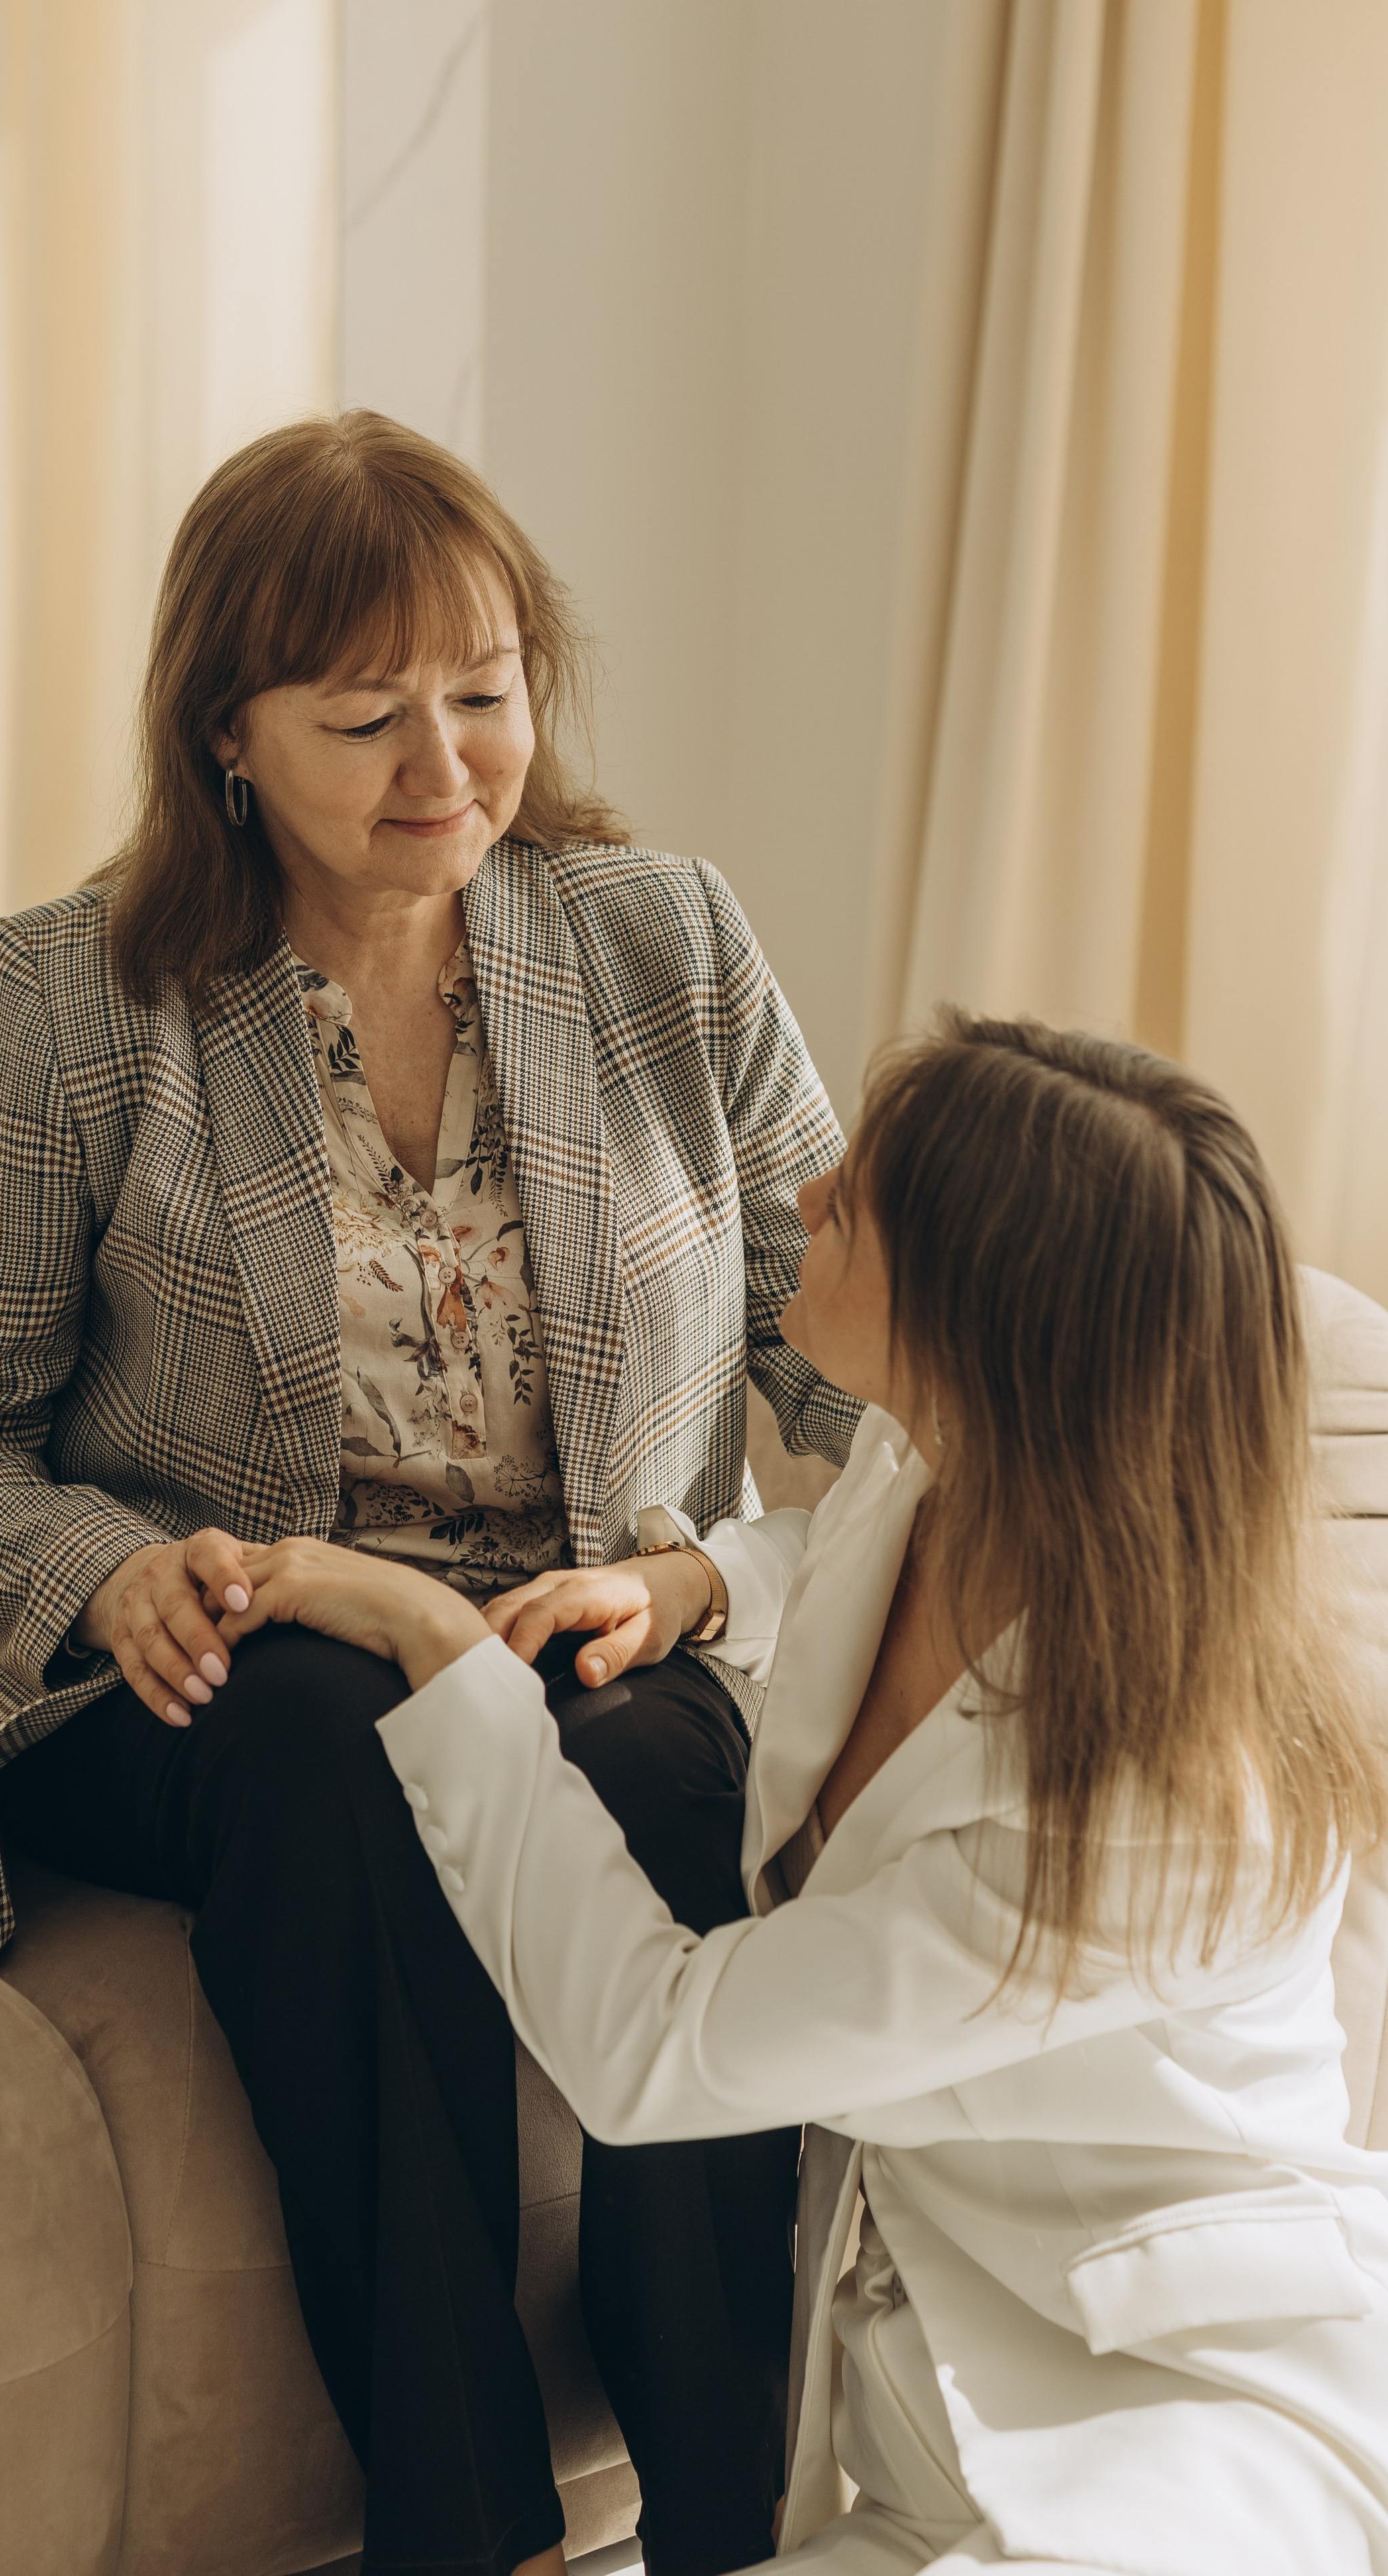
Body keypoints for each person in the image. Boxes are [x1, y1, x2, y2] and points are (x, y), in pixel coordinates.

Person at [0, 411, 859, 2576]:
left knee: (675, 1778)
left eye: (487, 694)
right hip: (220, 1669)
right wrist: (111, 1571)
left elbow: (855, 1361)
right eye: (366, 718)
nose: (444, 765)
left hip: (583, 1631)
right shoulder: (77, 999)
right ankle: (467, 2533)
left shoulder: (667, 943)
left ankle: (734, 2527)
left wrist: (704, 1585)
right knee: (330, 1748)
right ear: (229, 736)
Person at [213, 1011, 1388, 2576]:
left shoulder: (1148, 1815)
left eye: (863, 1197)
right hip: (921, 2449)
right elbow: (831, 1559)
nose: (809, 1193)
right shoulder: (933, 1467)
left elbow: (648, 2046)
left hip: (1177, 2443)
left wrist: (436, 1645)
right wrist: (695, 1583)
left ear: (975, 1314)